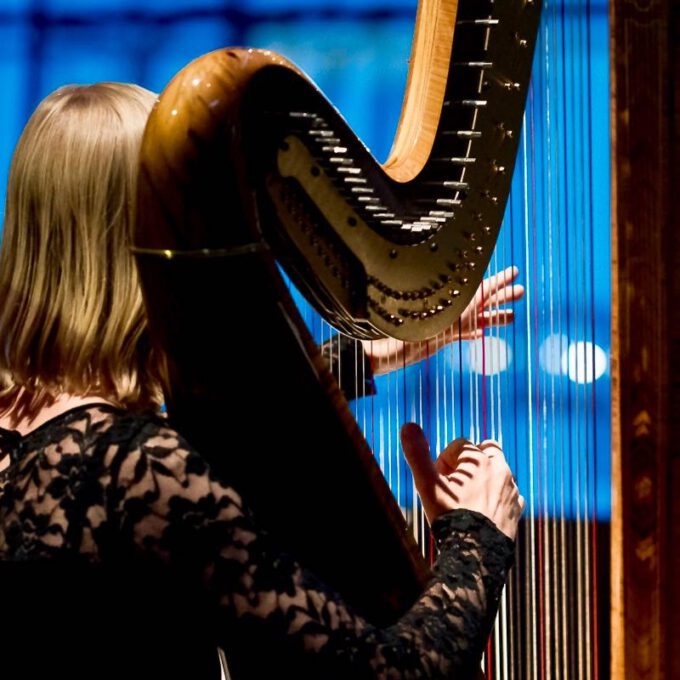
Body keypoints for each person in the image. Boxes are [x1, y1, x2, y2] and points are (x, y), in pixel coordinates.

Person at [0, 83, 524, 679]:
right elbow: (393, 673)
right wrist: (477, 537)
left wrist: (369, 354)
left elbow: (218, 420)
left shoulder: (39, 443)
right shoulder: (142, 471)